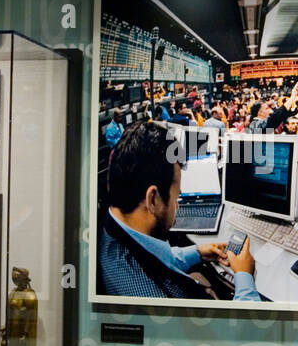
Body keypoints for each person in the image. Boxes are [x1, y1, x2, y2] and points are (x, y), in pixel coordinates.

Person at [98, 122, 261, 301]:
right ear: (153, 200)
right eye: (177, 196)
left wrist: (197, 252)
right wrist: (245, 277)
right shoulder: (150, 299)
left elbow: (152, 256)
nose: (177, 206)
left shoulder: (113, 225)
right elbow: (242, 329)